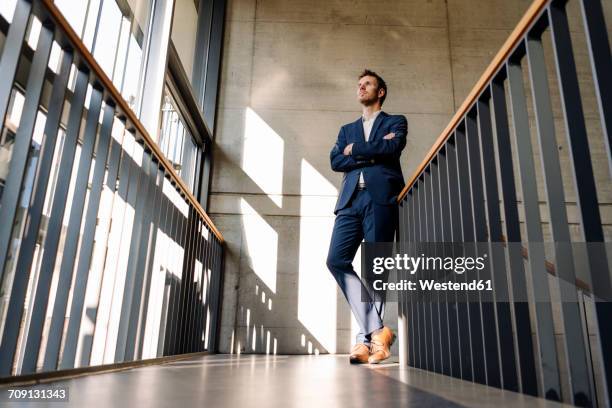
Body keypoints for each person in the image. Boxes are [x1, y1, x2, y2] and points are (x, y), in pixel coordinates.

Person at [326, 69, 407, 364]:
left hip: (380, 198)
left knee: (376, 270)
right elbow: (336, 160)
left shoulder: (395, 122)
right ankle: (378, 332)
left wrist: (356, 150)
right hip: (350, 201)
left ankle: (367, 342)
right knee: (336, 260)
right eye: (359, 84)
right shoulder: (346, 128)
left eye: (367, 84)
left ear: (380, 91)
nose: (361, 87)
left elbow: (392, 146)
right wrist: (372, 151)